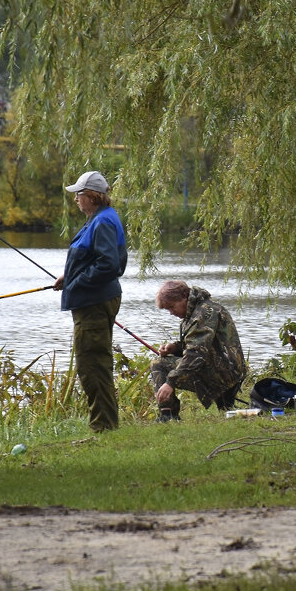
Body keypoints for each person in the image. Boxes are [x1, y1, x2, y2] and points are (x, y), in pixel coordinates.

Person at [53, 170, 127, 432]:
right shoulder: (100, 218)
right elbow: (96, 259)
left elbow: (109, 265)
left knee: (92, 365)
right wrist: (69, 276)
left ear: (93, 197)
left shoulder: (103, 222)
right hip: (94, 300)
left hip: (94, 303)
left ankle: (103, 426)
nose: (76, 200)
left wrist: (77, 281)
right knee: (94, 363)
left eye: (79, 195)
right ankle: (105, 424)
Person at [150, 280, 247, 422]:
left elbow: (196, 354)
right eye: (168, 310)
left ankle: (167, 415)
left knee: (158, 364)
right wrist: (175, 348)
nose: (171, 312)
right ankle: (169, 415)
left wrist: (170, 382)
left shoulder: (203, 313)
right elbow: (201, 345)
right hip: (224, 369)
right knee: (226, 411)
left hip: (224, 374)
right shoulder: (198, 310)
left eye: (171, 307)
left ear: (184, 297)